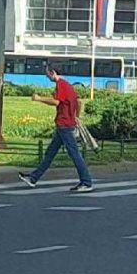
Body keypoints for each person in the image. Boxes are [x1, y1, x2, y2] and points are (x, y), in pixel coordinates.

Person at [19, 64, 93, 192]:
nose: (46, 76)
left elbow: (56, 102)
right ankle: (33, 178)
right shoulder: (68, 85)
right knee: (50, 153)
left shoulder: (61, 85)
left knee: (74, 154)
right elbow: (79, 102)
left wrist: (39, 99)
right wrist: (76, 116)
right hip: (65, 124)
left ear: (53, 72)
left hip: (64, 125)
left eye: (47, 73)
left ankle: (86, 182)